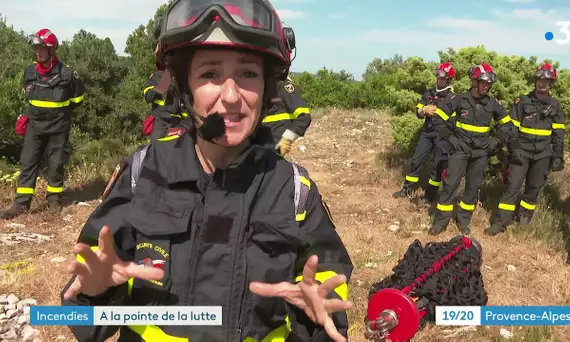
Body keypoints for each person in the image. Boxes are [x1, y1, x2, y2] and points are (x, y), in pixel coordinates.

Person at [59, 2, 354, 341]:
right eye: (210, 74)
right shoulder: (144, 174)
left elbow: (330, 286)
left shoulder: (294, 191)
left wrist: (316, 314)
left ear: (267, 88)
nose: (230, 97)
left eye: (248, 74)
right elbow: (82, 317)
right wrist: (94, 295)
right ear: (185, 90)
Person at [0, 28, 85, 219]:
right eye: (36, 48)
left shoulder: (68, 74)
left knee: (56, 163)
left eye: (42, 48)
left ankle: (54, 201)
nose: (38, 52)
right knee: (28, 162)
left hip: (58, 127)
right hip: (35, 126)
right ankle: (21, 204)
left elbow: (78, 99)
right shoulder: (29, 72)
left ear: (52, 50)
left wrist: (59, 113)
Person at [428, 63, 517, 235]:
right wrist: (450, 139)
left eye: (488, 83)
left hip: (480, 154)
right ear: (474, 82)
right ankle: (440, 222)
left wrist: (495, 142)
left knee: (472, 188)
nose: (485, 86)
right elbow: (439, 119)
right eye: (482, 82)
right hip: (459, 150)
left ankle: (463, 220)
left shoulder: (493, 104)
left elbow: (508, 126)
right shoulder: (459, 99)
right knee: (450, 185)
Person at [485, 64, 565, 236]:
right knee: (512, 187)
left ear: (551, 83)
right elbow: (511, 128)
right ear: (535, 80)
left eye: (546, 80)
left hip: (543, 154)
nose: (542, 83)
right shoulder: (522, 101)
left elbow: (559, 132)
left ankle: (523, 220)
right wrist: (514, 149)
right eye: (539, 79)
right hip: (522, 151)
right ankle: (500, 223)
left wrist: (558, 154)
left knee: (533, 189)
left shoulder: (556, 106)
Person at [392, 62, 456, 203]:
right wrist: (423, 110)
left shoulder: (453, 98)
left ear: (449, 79)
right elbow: (418, 112)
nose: (439, 80)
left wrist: (437, 112)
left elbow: (453, 121)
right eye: (438, 76)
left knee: (437, 166)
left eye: (443, 77)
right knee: (416, 161)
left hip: (443, 136)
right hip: (427, 132)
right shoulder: (429, 93)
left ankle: (429, 196)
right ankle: (407, 189)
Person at [260, 25, 312, 156]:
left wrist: (287, 139)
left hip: (272, 154)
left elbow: (304, 116)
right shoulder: (259, 89)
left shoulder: (283, 87)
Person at [142, 17, 189, 141]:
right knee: (157, 153)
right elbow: (148, 96)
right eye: (167, 58)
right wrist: (163, 86)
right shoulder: (156, 77)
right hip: (161, 123)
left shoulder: (182, 78)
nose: (170, 61)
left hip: (179, 124)